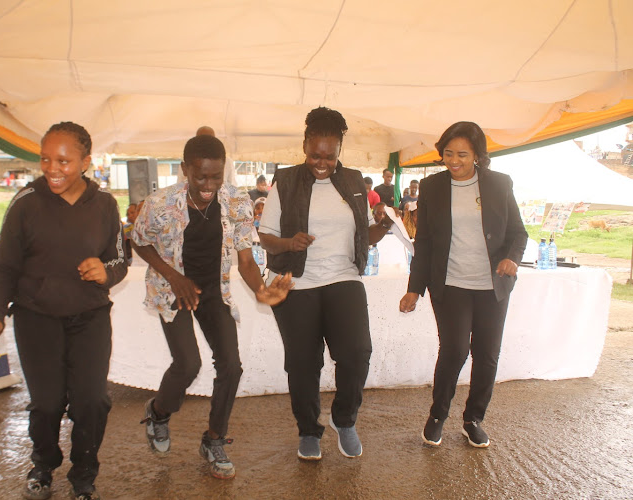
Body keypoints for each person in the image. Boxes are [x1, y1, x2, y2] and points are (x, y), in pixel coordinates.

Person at [131, 134, 292, 480]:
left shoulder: (236, 201)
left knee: (231, 366)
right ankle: (158, 412)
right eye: (200, 176)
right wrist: (174, 277)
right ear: (185, 169)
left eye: (215, 177)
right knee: (188, 364)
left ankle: (214, 440)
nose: (208, 185)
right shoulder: (160, 203)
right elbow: (139, 241)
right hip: (172, 288)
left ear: (224, 172)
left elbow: (246, 260)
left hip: (213, 289)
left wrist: (262, 290)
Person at [0, 122, 128, 500]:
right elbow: (3, 266)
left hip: (90, 316)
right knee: (46, 403)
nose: (52, 168)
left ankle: (84, 474)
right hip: (36, 317)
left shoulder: (106, 205)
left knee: (91, 401)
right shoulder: (25, 202)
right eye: (45, 158)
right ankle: (44, 463)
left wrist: (105, 271)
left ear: (85, 162)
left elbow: (119, 259)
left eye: (63, 160)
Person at [258, 107, 393, 461]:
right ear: (304, 145)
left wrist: (383, 223)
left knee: (356, 353)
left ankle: (343, 420)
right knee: (302, 363)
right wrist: (289, 244)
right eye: (315, 154)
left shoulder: (353, 182)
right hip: (296, 282)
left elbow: (366, 235)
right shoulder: (285, 182)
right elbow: (266, 237)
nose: (321, 162)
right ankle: (308, 430)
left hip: (343, 277)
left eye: (330, 156)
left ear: (339, 151)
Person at [399, 121, 527, 449]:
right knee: (454, 350)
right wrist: (415, 288)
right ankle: (438, 415)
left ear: (477, 156)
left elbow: (518, 232)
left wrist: (512, 258)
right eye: (448, 153)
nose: (453, 160)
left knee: (486, 355)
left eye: (462, 155)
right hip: (451, 284)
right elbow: (424, 242)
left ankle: (473, 419)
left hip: (492, 286)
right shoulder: (432, 187)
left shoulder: (499, 184)